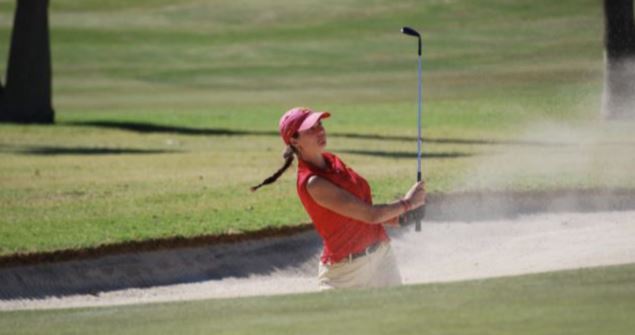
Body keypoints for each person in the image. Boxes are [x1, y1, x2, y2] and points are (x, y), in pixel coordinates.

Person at [251, 107, 427, 290]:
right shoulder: (313, 182)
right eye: (311, 129)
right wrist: (407, 203)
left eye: (319, 124)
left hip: (382, 258)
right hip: (345, 273)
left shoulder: (332, 161)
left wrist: (400, 217)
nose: (320, 130)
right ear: (294, 140)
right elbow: (370, 215)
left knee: (397, 317)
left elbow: (359, 209)